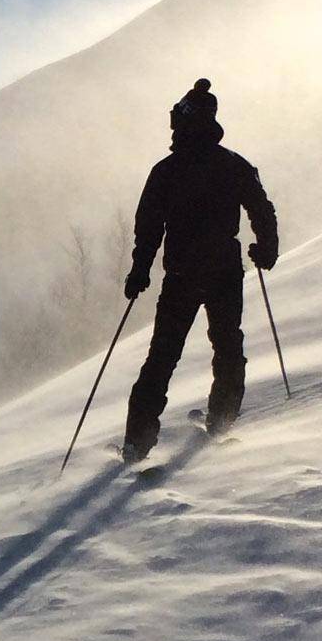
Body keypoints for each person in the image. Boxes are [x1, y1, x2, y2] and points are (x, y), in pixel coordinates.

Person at [121, 78, 278, 462]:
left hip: (181, 276)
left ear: (183, 123)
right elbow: (261, 208)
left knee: (162, 355)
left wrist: (140, 270)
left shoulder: (166, 171)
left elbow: (149, 226)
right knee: (227, 346)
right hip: (225, 271)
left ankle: (137, 441)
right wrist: (266, 249)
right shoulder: (234, 164)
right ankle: (221, 420)